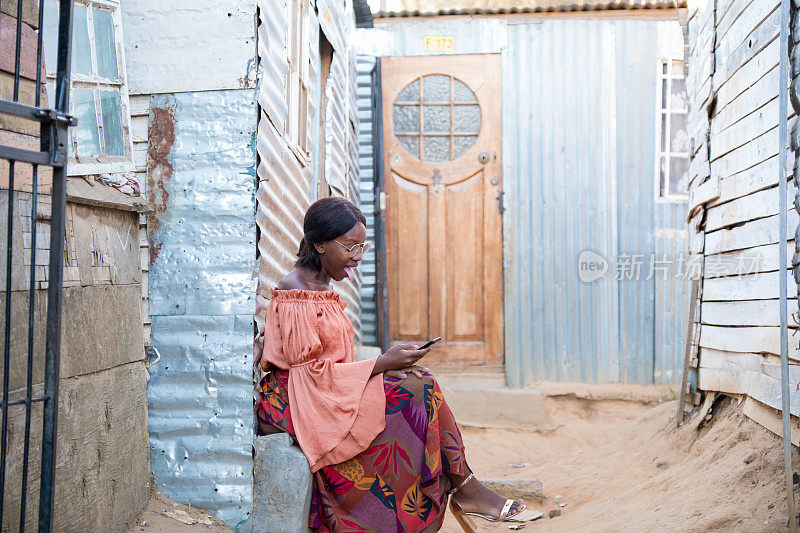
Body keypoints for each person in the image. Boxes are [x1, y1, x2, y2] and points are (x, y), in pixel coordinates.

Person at [256, 197, 541, 532]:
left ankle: (467, 489)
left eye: (362, 246)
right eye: (350, 247)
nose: (358, 257)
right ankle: (467, 490)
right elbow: (310, 377)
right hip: (296, 402)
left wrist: (386, 367)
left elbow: (331, 366)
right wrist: (380, 363)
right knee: (417, 389)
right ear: (319, 244)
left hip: (324, 393)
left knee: (418, 379)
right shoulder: (296, 290)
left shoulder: (321, 285)